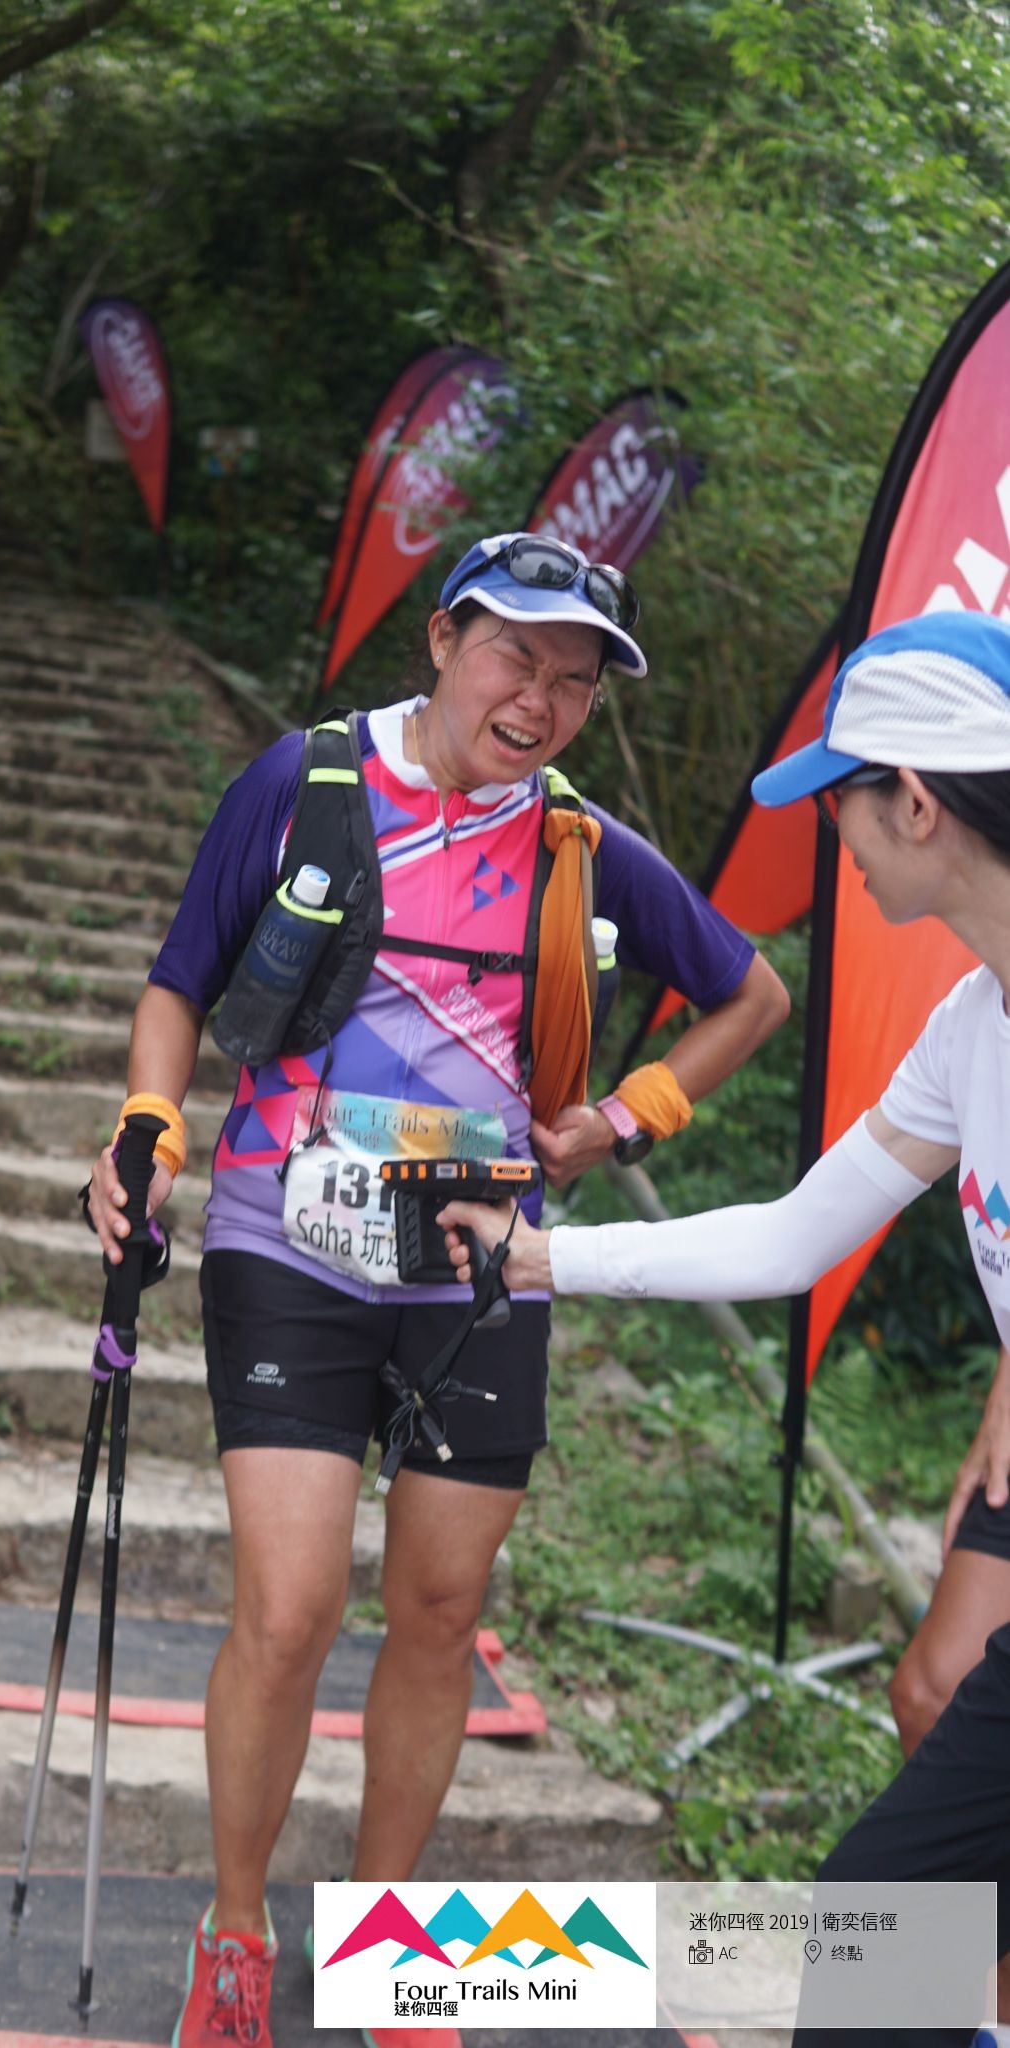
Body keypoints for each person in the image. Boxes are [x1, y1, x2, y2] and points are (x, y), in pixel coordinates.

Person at [88, 530, 788, 2048]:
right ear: (443, 640)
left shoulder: (580, 846)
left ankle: (388, 1948)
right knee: (289, 1612)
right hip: (288, 1235)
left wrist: (628, 1116)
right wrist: (147, 1125)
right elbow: (179, 981)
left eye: (574, 683)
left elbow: (751, 990)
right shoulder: (305, 782)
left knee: (440, 1605)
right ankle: (233, 1929)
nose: (537, 700)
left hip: (481, 1261)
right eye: (515, 657)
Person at [437, 609, 1010, 2046]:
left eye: (839, 801)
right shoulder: (970, 1027)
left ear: (916, 802)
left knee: (880, 1934)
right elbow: (794, 1234)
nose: (834, 840)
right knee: (888, 1934)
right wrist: (542, 1261)